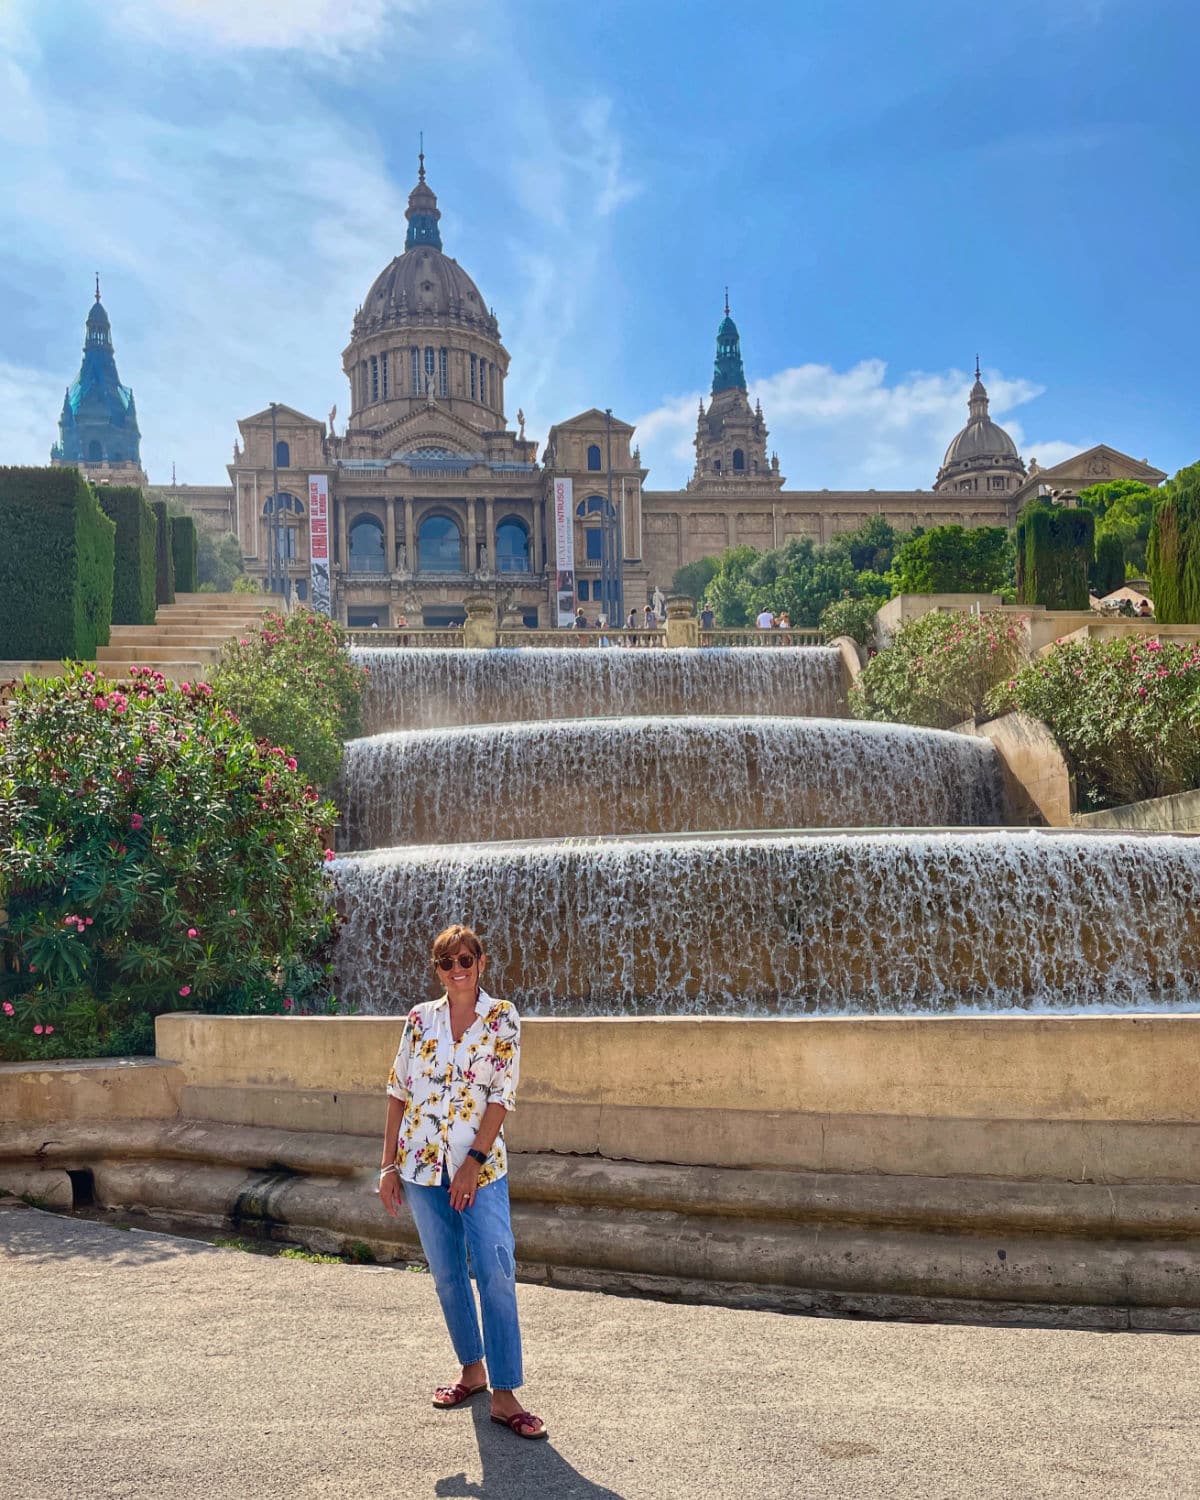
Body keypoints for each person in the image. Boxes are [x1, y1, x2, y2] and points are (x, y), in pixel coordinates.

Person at [378, 925, 547, 1441]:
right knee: (448, 1275)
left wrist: (472, 1162)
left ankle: (505, 1393)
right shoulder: (418, 1020)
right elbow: (398, 1091)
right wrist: (387, 1166)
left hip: (481, 1170)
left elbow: (501, 1097)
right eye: (448, 962)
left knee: (496, 1268)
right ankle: (471, 1371)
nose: (458, 969)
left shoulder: (502, 1018)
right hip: (422, 1166)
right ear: (437, 969)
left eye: (466, 960)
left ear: (481, 963)